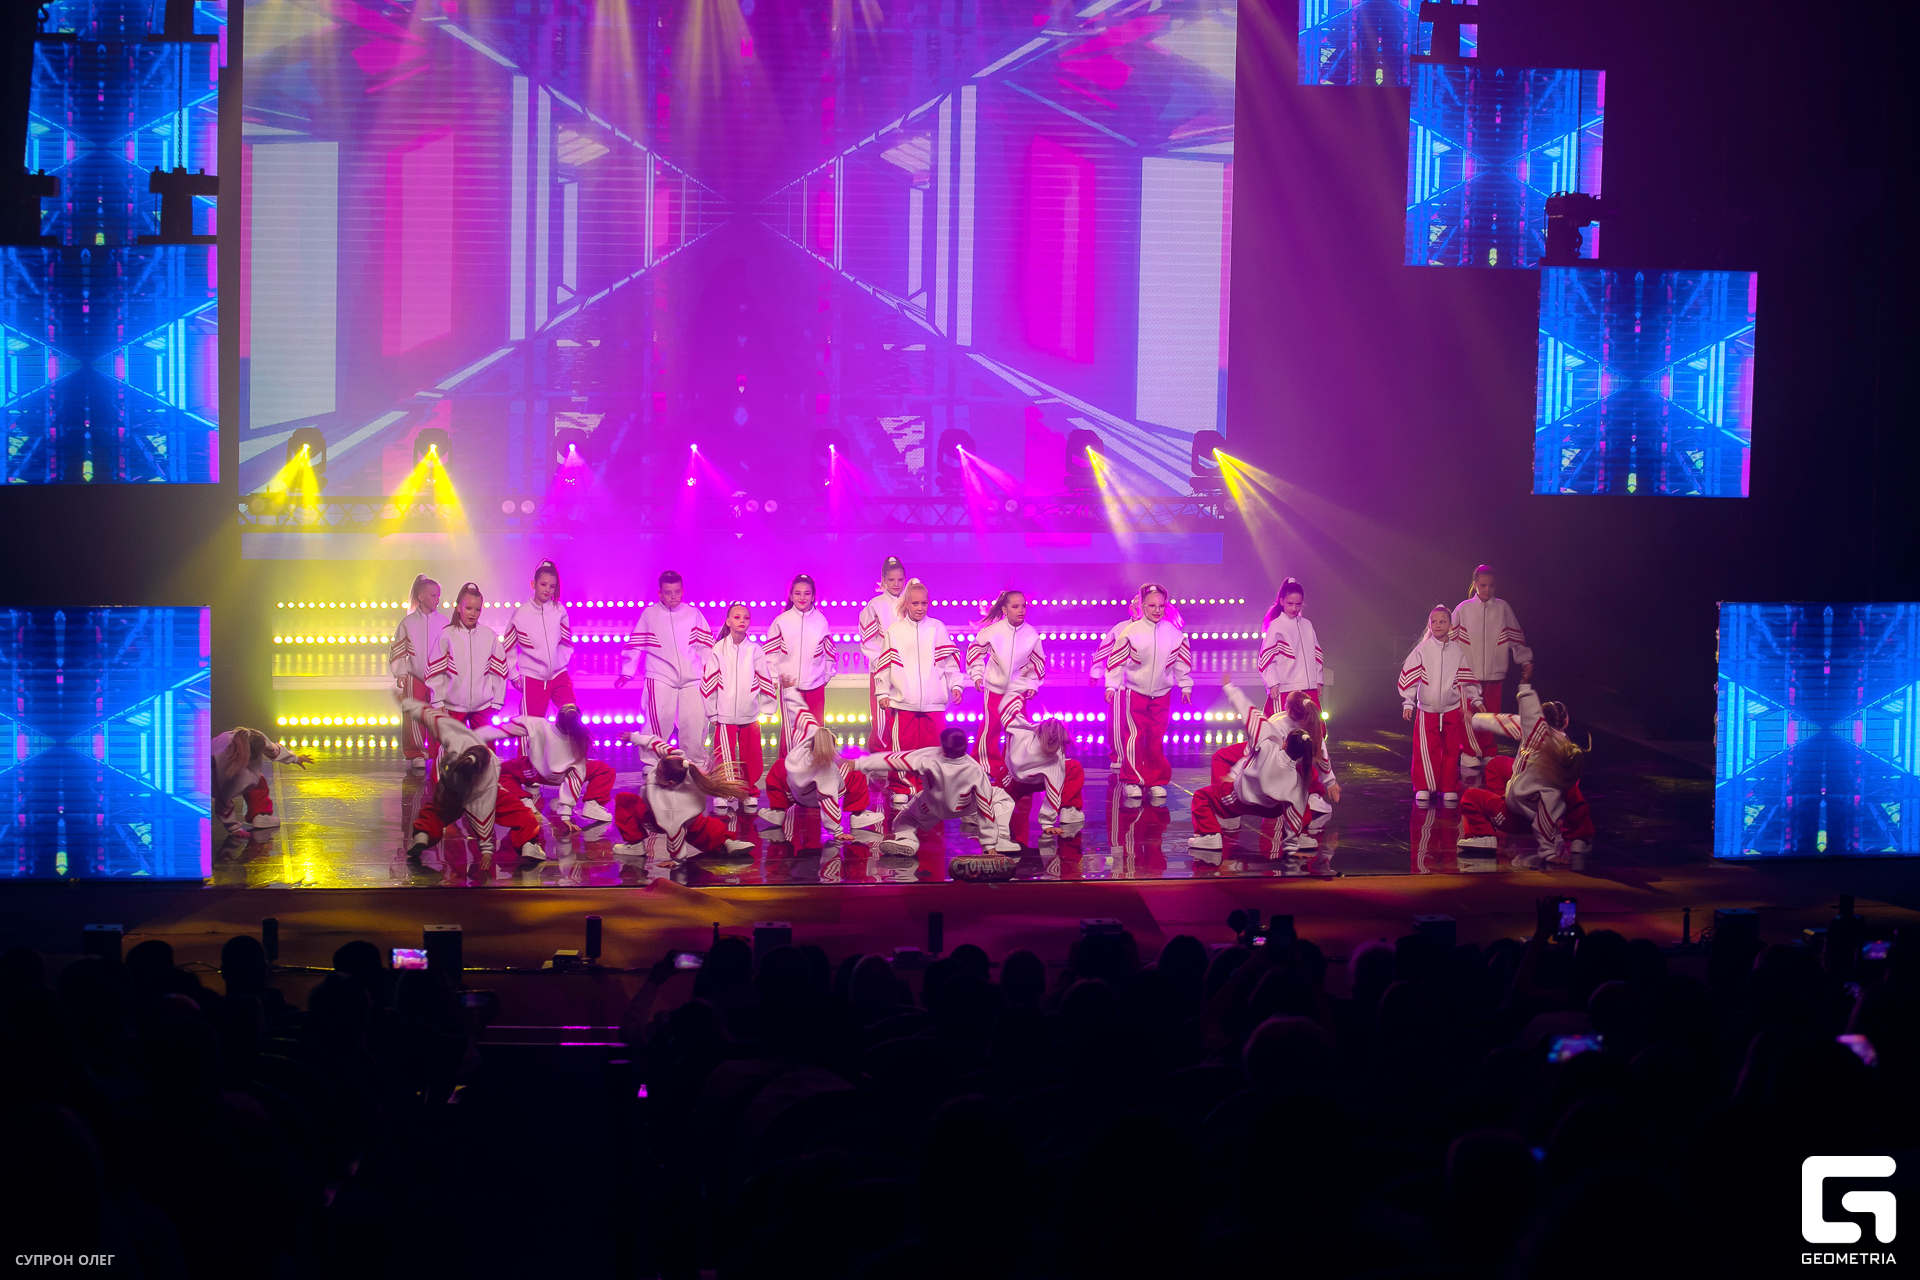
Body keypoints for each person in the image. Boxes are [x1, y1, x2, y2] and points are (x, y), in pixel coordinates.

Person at [1458, 663, 1593, 862]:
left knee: (1474, 793)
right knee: (1497, 765)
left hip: (1518, 811)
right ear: (1565, 722)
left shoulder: (1532, 729)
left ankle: (1487, 829)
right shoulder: (1563, 750)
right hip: (1536, 808)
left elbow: (1503, 720)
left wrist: (1474, 719)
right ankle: (1580, 838)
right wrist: (1549, 850)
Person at [400, 698, 545, 870]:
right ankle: (529, 843)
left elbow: (433, 717)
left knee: (436, 812)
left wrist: (408, 704)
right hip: (469, 789)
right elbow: (483, 814)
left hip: (450, 788)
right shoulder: (487, 775)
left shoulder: (457, 739)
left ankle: (423, 834)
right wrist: (486, 850)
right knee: (519, 812)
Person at [1187, 677, 1322, 855]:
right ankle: (1302, 837)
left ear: (1285, 743)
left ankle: (1210, 835)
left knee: (1201, 797)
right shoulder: (1298, 781)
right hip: (1273, 809)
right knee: (1302, 802)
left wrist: (1229, 687)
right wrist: (1292, 844)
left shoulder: (1267, 745)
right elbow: (1297, 811)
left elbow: (1248, 711)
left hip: (1241, 800)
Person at [872, 578, 965, 804]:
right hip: (904, 700)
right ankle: (902, 787)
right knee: (903, 746)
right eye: (915, 603)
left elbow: (950, 662)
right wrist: (882, 692)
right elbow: (885, 664)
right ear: (906, 604)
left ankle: (929, 787)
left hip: (934, 702)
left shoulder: (937, 628)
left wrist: (956, 684)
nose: (920, 608)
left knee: (933, 749)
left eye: (924, 603)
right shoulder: (895, 631)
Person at [853, 725, 1006, 854]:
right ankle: (997, 835)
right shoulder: (976, 770)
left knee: (905, 816)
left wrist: (859, 764)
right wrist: (989, 844)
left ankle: (906, 840)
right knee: (1000, 796)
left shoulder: (929, 759)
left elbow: (894, 760)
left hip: (932, 806)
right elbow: (985, 804)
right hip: (964, 807)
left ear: (943, 748)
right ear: (966, 745)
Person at [759, 682, 881, 843]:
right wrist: (837, 831)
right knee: (855, 768)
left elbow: (800, 713)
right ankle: (858, 815)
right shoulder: (828, 772)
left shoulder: (797, 754)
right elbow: (828, 799)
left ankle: (778, 811)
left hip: (796, 793)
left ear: (809, 743)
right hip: (815, 798)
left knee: (779, 766)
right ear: (833, 747)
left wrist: (789, 690)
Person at [1106, 583, 1193, 805]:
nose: (1157, 610)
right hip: (1136, 691)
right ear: (1143, 606)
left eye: (1161, 606)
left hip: (1162, 693)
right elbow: (1117, 662)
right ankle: (1132, 780)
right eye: (1152, 605)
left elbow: (1181, 662)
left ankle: (1155, 780)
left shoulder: (1174, 634)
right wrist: (1111, 686)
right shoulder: (1131, 632)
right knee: (1134, 736)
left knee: (1156, 736)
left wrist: (1185, 686)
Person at [616, 569, 713, 766]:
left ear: (683, 591)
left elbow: (705, 647)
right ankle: (652, 764)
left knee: (694, 722)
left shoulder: (693, 614)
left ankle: (695, 764)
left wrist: (710, 672)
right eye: (668, 593)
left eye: (677, 592)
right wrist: (627, 671)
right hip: (660, 675)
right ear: (659, 594)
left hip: (692, 677)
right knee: (657, 721)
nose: (673, 597)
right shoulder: (650, 615)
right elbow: (635, 644)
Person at [612, 736, 755, 863]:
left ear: (670, 783)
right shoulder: (681, 764)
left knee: (624, 800)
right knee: (704, 825)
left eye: (658, 774)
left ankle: (635, 845)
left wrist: (677, 859)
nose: (654, 774)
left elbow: (674, 832)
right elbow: (658, 744)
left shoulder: (667, 804)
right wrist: (634, 737)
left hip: (657, 819)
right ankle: (727, 842)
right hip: (691, 817)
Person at [1398, 604, 1483, 804]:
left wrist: (1476, 698)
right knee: (1426, 748)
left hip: (1451, 708)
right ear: (1429, 625)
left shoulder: (1456, 651)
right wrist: (1408, 702)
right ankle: (1424, 787)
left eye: (1442, 622)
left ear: (1450, 626)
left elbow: (1465, 676)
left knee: (1451, 749)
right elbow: (1411, 677)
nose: (1437, 625)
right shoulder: (1423, 649)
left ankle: (1448, 786)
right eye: (1434, 622)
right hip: (1427, 709)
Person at [1451, 565, 1532, 770]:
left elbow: (1515, 637)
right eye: (1483, 585)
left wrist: (1525, 660)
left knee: (1492, 715)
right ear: (1475, 584)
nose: (1487, 589)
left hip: (1495, 673)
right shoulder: (1463, 609)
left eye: (1491, 585)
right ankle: (1469, 751)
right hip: (1469, 674)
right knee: (1469, 713)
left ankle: (1488, 751)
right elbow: (1450, 640)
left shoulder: (1503, 608)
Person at [487, 706, 616, 832]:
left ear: (556, 716)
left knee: (499, 772)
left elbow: (512, 725)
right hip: (563, 776)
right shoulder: (579, 738)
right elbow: (574, 777)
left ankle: (524, 801)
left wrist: (481, 735)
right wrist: (565, 813)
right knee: (605, 770)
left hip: (534, 773)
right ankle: (593, 804)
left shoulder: (539, 724)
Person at [701, 602, 777, 811]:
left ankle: (748, 791)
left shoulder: (755, 650)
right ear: (728, 621)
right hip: (724, 714)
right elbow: (709, 681)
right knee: (723, 756)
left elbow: (764, 678)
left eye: (746, 617)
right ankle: (723, 791)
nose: (742, 620)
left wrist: (768, 708)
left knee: (751, 756)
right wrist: (712, 712)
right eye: (737, 617)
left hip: (749, 713)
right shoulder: (719, 648)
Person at [969, 589, 1047, 783]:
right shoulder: (992, 631)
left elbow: (1037, 662)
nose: (1021, 610)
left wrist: (1032, 684)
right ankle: (986, 766)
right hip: (994, 689)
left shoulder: (1031, 634)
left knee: (1018, 730)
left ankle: (1014, 768)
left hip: (1017, 692)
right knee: (990, 727)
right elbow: (975, 652)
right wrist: (977, 675)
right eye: (1015, 606)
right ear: (1004, 609)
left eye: (1024, 606)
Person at [989, 697, 1085, 845]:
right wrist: (1047, 823)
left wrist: (1016, 698)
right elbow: (1054, 790)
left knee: (993, 802)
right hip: (1015, 781)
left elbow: (1008, 713)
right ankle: (1068, 809)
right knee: (1073, 767)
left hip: (1015, 780)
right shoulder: (1054, 758)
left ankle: (984, 808)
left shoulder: (1024, 734)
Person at [763, 573, 837, 754]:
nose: (802, 597)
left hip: (816, 686)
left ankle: (814, 767)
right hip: (790, 686)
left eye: (806, 593)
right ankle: (787, 769)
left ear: (813, 596)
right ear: (791, 596)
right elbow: (771, 653)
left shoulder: (820, 621)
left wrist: (827, 675)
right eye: (797, 593)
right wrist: (774, 678)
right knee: (790, 731)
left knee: (815, 730)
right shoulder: (781, 621)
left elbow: (829, 652)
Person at [427, 582, 508, 730]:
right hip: (453, 708)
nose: (473, 613)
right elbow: (435, 671)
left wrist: (497, 702)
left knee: (485, 745)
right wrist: (438, 701)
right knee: (452, 744)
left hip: (483, 708)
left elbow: (499, 671)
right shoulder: (446, 635)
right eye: (468, 608)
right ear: (459, 608)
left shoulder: (489, 636)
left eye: (477, 609)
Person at [389, 574, 447, 769]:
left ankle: (438, 752)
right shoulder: (408, 623)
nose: (437, 600)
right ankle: (416, 752)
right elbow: (398, 649)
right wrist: (400, 673)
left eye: (438, 596)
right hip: (415, 677)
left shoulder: (444, 622)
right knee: (414, 715)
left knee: (438, 714)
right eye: (433, 596)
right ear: (421, 597)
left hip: (439, 677)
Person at [503, 559, 575, 716]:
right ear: (533, 584)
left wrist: (561, 662)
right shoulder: (521, 614)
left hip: (559, 676)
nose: (547, 590)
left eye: (552, 586)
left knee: (572, 717)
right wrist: (513, 675)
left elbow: (567, 641)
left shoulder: (559, 610)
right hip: (533, 677)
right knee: (530, 724)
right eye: (543, 584)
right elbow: (508, 647)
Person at [212, 728, 311, 834]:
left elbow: (274, 751)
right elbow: (222, 800)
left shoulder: (255, 736)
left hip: (223, 761)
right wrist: (234, 828)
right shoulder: (229, 772)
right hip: (207, 777)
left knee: (256, 779)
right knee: (254, 781)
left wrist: (296, 758)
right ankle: (260, 814)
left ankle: (260, 814)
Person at [857, 557, 909, 751]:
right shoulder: (875, 605)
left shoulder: (910, 603)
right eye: (891, 580)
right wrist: (883, 663)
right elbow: (868, 640)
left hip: (906, 669)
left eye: (900, 580)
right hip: (882, 669)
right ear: (883, 580)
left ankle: (900, 753)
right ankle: (879, 756)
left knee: (903, 712)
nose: (896, 584)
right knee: (881, 715)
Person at [1257, 577, 1324, 714]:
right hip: (1285, 690)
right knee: (1281, 725)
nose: (1294, 608)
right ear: (1282, 602)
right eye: (1290, 603)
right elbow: (1266, 658)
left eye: (1298, 604)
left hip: (1309, 689)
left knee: (1315, 725)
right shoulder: (1276, 626)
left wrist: (1317, 680)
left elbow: (1316, 654)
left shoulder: (1307, 625)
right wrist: (1273, 683)